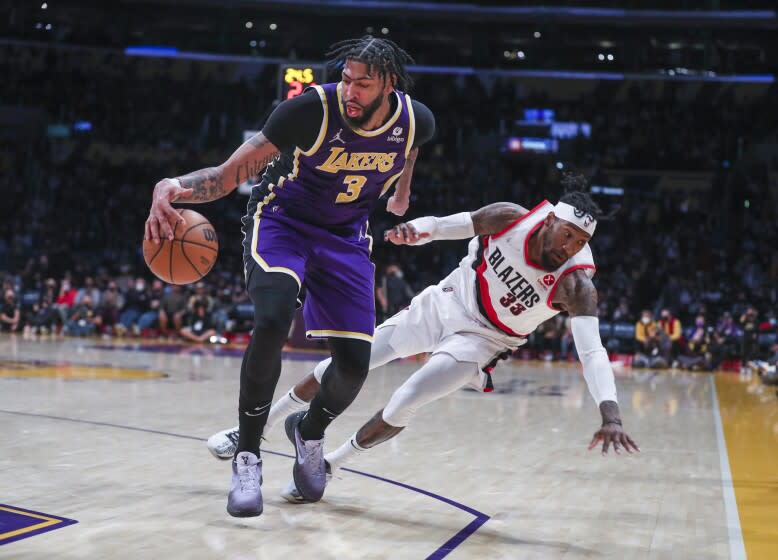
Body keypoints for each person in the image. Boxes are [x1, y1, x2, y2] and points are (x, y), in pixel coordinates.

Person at [144, 36, 435, 517]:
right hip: (282, 222)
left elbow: (412, 147)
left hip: (345, 235)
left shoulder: (416, 120)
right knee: (274, 317)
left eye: (363, 84)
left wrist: (403, 190)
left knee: (354, 366)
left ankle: (309, 430)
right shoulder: (307, 111)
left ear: (390, 85)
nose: (350, 91)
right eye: (346, 79)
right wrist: (170, 187)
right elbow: (226, 176)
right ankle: (248, 456)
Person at [207, 182, 640, 504]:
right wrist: (419, 228)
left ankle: (329, 464)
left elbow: (592, 352)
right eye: (567, 234)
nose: (570, 246)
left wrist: (612, 414)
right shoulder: (511, 217)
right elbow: (462, 222)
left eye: (580, 242)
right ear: (549, 220)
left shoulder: (578, 286)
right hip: (445, 302)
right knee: (351, 361)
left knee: (406, 399)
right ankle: (255, 430)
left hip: (484, 341)